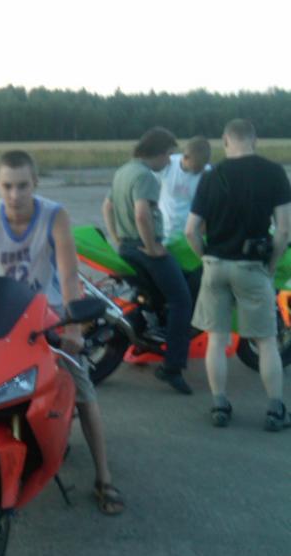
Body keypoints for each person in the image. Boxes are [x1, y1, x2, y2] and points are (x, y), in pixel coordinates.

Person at [0, 149, 124, 515]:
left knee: (82, 389)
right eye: (7, 186)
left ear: (35, 183)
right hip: (5, 311)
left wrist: (73, 328)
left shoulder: (55, 216)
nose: (15, 195)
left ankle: (104, 478)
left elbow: (68, 274)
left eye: (22, 186)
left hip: (51, 313)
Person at [185, 118, 291, 430]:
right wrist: (270, 266)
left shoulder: (211, 176)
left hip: (215, 266)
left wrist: (205, 258)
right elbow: (283, 230)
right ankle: (275, 410)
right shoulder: (274, 172)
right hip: (252, 266)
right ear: (254, 141)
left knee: (217, 340)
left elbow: (191, 230)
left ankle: (219, 405)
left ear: (225, 141)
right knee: (267, 341)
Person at [102, 127, 194, 395]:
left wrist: (117, 237)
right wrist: (152, 246)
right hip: (144, 249)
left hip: (127, 247)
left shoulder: (124, 171)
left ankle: (145, 341)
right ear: (160, 152)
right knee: (181, 300)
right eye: (169, 155)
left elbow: (107, 206)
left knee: (154, 297)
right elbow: (142, 214)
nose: (169, 162)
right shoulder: (146, 176)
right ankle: (172, 367)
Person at [158, 136, 212, 241]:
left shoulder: (208, 173)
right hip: (164, 230)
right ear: (185, 157)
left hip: (190, 233)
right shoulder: (168, 164)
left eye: (203, 166)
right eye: (197, 167)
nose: (200, 170)